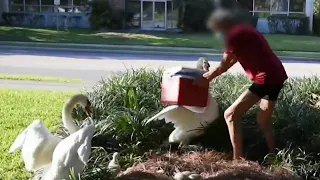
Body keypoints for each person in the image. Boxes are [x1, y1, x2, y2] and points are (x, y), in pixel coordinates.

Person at [194, 9, 288, 160]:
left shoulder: (233, 36)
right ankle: (273, 157)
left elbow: (224, 65)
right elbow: (234, 58)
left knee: (230, 115)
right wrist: (212, 75)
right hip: (277, 74)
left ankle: (237, 161)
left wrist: (206, 79)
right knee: (263, 120)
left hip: (265, 77)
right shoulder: (244, 30)